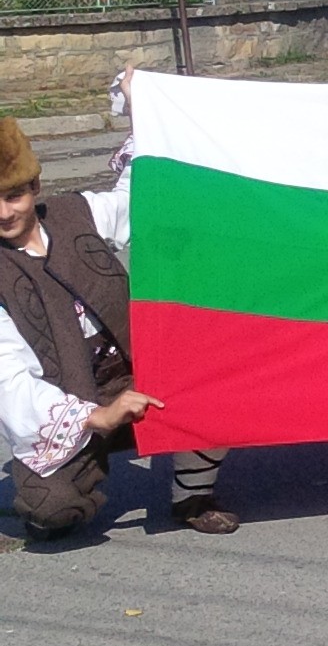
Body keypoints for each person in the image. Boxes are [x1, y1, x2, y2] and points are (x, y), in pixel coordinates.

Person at [0, 116, 234, 538]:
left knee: (212, 384)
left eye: (13, 196)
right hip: (67, 395)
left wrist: (140, 108)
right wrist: (99, 417)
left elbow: (137, 195)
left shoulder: (76, 213)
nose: (3, 212)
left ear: (34, 186)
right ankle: (81, 474)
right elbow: (10, 380)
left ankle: (192, 495)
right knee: (51, 508)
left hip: (136, 372)